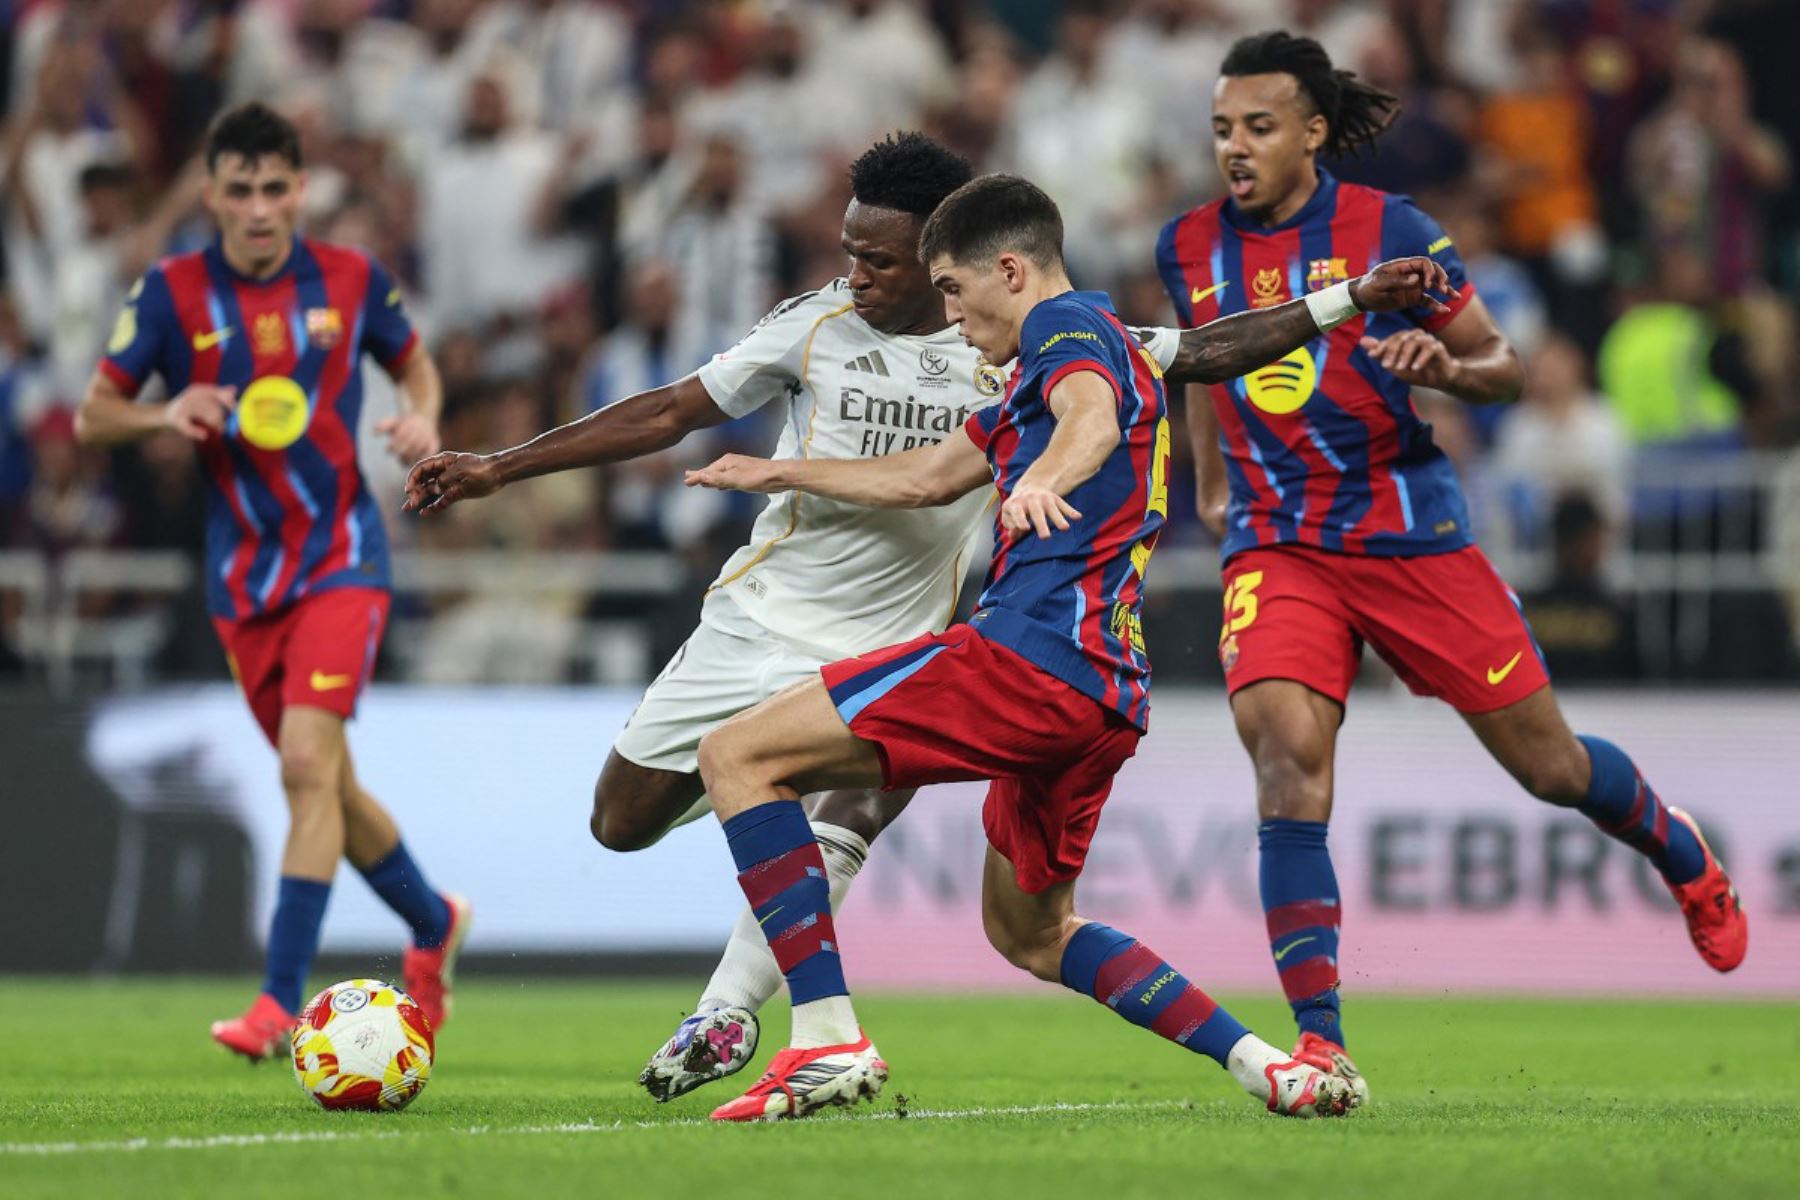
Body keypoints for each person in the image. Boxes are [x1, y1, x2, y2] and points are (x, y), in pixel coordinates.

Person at [682, 171, 1456, 1122]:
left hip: (1028, 655)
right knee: (1033, 932)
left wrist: (1044, 478)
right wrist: (779, 467)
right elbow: (928, 476)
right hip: (1101, 695)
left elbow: (1088, 420)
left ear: (1010, 270)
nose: (952, 318)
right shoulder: (1055, 372)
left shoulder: (1067, 331)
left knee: (736, 754)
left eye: (957, 293)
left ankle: (826, 1037)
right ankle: (1274, 1067)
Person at [1146, 31, 1748, 1103]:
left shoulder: (1393, 231)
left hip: (1410, 536)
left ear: (1314, 133)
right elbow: (1204, 361)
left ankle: (1681, 852)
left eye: (1259, 128)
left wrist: (1450, 370)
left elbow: (1504, 367)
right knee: (1285, 754)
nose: (1235, 148)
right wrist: (1207, 489)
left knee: (1552, 770)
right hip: (1282, 544)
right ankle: (1321, 1040)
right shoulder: (1189, 244)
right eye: (1223, 130)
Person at [404, 133, 1003, 1103]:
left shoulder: (1006, 345)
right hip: (761, 622)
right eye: (848, 251)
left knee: (856, 796)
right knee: (620, 821)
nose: (854, 275)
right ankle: (757, 984)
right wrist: (498, 465)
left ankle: (737, 1012)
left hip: (893, 644)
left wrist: (1339, 301)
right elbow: (668, 411)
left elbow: (1177, 359)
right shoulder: (813, 324)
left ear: (942, 263)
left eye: (877, 260)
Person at [75, 102, 469, 1059]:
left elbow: (418, 373)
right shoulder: (172, 293)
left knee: (302, 769)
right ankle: (432, 921)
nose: (257, 208)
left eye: (273, 187)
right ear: (211, 193)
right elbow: (94, 414)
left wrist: (421, 421)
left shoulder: (350, 279)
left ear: (299, 189)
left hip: (341, 558)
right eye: (239, 189)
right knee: (326, 781)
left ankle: (277, 1000)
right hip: (242, 583)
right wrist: (166, 414)